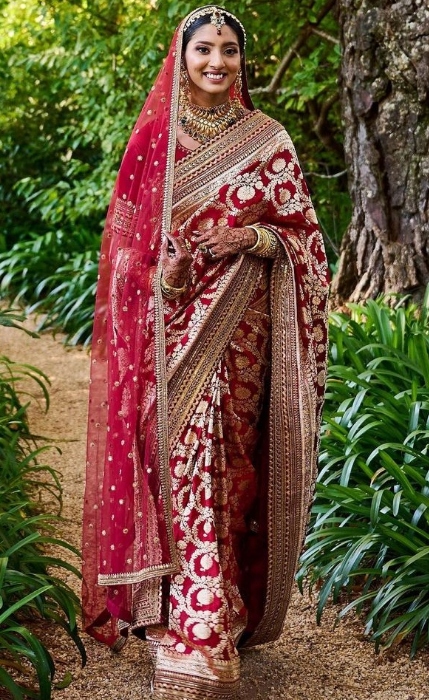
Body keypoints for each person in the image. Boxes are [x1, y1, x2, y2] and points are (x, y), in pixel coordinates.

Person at [82, 5, 329, 699]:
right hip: (169, 334)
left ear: (241, 61)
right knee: (176, 460)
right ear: (182, 58)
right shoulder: (154, 143)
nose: (217, 62)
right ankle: (187, 620)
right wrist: (164, 274)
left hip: (244, 337)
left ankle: (217, 610)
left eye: (228, 50)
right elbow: (123, 251)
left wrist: (252, 239)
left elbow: (306, 242)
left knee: (230, 472)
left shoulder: (268, 139)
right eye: (203, 50)